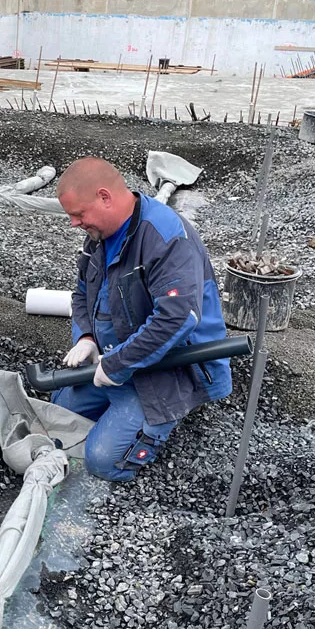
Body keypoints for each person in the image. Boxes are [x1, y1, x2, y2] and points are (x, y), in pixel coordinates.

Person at [52, 157, 232, 482]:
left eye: (78, 215)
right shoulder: (99, 237)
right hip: (118, 357)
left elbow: (177, 318)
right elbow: (81, 293)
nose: (74, 224)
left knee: (102, 461)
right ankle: (121, 407)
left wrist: (117, 363)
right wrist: (87, 337)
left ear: (105, 197)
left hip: (173, 369)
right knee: (56, 418)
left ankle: (162, 420)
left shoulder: (165, 239)